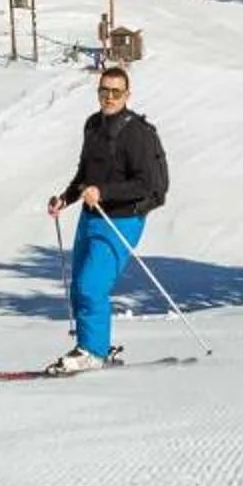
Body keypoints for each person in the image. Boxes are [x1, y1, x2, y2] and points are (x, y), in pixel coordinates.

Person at [42, 63, 168, 374]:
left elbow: (146, 184)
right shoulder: (93, 126)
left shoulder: (138, 134)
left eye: (116, 92)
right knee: (79, 288)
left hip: (123, 219)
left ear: (127, 94)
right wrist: (66, 198)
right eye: (104, 90)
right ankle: (92, 345)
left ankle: (93, 352)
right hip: (91, 215)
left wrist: (104, 191)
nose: (109, 97)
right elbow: (85, 175)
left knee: (91, 286)